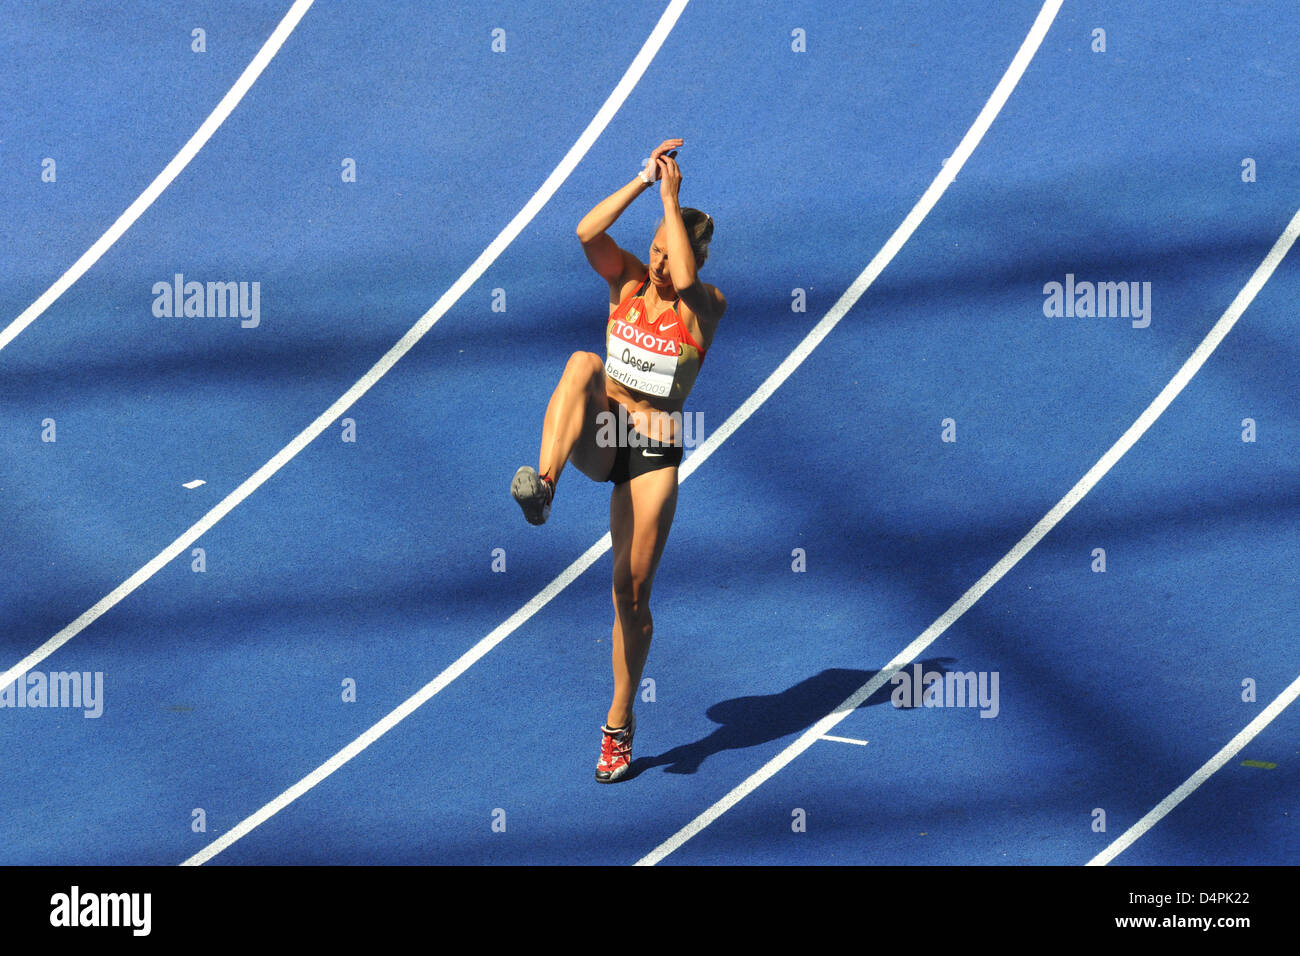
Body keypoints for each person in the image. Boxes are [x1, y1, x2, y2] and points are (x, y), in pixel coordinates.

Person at [511, 137, 726, 782]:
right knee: (581, 364)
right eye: (656, 249)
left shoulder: (705, 307)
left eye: (669, 251)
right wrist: (641, 180)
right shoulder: (628, 280)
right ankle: (545, 487)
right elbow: (586, 232)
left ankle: (620, 720)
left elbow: (687, 280)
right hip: (607, 439)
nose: (659, 263)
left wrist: (672, 199)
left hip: (654, 454)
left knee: (629, 596)